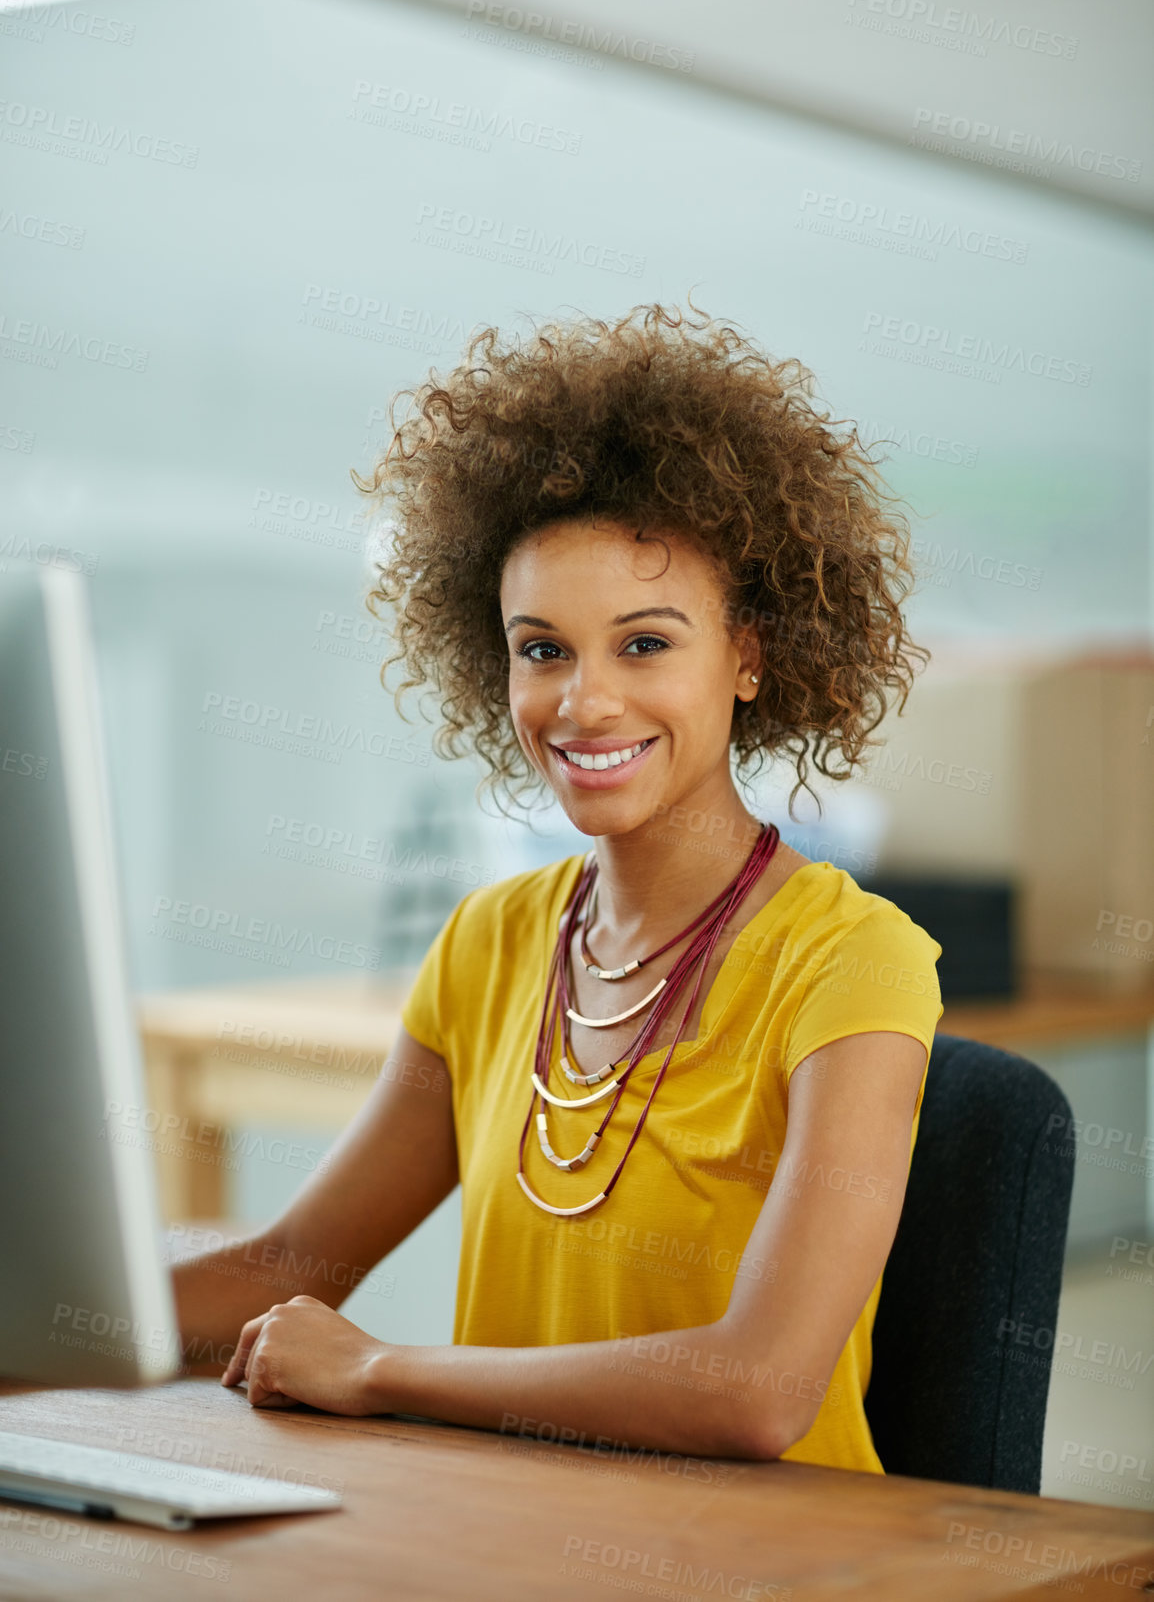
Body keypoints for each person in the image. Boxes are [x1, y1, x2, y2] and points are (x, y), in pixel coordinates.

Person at [174, 301, 942, 1471]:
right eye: (542, 649)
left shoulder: (852, 960)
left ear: (748, 655)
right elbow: (287, 1270)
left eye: (643, 644)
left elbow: (755, 1391)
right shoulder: (491, 941)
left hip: (771, 1563)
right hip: (519, 1546)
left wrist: (378, 1371)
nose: (582, 703)